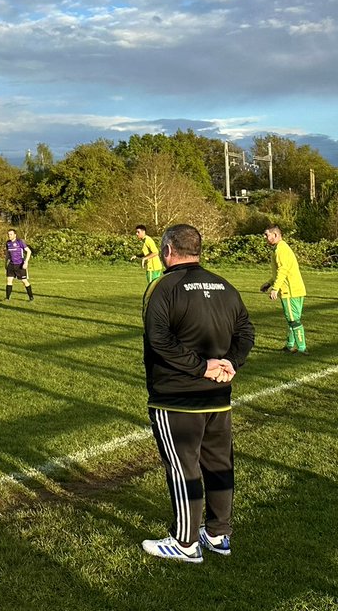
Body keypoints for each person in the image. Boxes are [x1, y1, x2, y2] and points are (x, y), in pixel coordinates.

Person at [140, 224, 255, 564]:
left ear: (167, 251)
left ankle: (185, 542)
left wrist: (202, 366)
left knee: (183, 466)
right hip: (218, 396)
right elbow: (246, 330)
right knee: (219, 463)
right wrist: (231, 363)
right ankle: (219, 534)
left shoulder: (162, 287)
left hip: (176, 397)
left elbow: (158, 339)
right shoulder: (225, 285)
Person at [261, 225, 307, 355]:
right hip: (296, 289)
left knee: (293, 320)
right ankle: (290, 345)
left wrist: (275, 288)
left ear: (275, 235)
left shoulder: (280, 249)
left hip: (290, 291)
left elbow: (283, 270)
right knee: (291, 319)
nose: (265, 237)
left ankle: (302, 349)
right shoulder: (281, 248)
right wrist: (269, 283)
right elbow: (280, 271)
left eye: (266, 234)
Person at [4, 229, 33, 301]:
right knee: (9, 280)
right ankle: (7, 298)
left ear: (15, 235)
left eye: (11, 234)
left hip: (20, 265)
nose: (9, 236)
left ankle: (31, 297)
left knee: (24, 281)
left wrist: (26, 262)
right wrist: (5, 263)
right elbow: (8, 254)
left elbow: (29, 251)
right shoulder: (8, 243)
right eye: (8, 234)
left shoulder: (20, 242)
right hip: (11, 264)